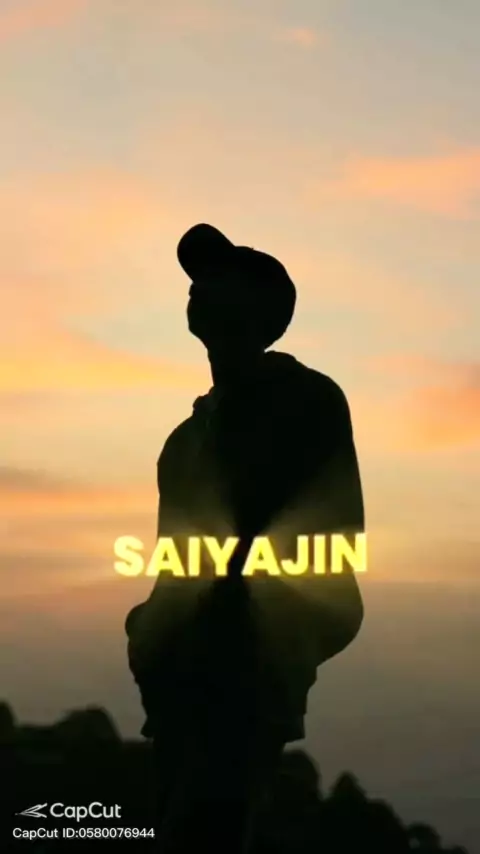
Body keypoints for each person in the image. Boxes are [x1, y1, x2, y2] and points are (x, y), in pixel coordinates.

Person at [125, 224, 365, 852]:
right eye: (196, 279)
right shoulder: (183, 439)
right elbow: (175, 561)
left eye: (219, 277)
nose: (198, 287)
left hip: (246, 676)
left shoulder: (308, 399)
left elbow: (332, 544)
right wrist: (148, 629)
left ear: (262, 308)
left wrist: (273, 642)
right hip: (176, 683)